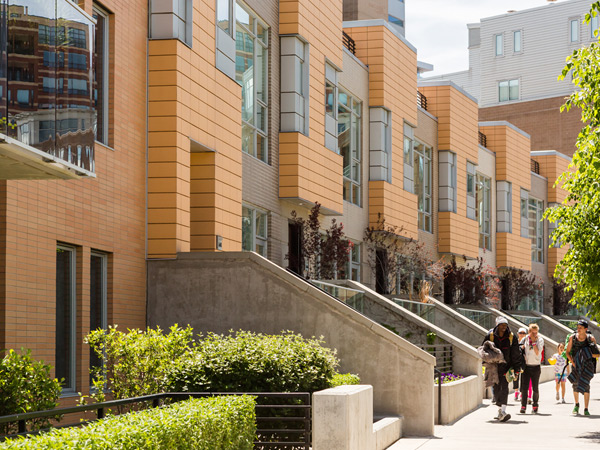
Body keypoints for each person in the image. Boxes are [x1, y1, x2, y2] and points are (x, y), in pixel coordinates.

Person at [482, 316, 522, 422]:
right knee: (496, 388)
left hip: (506, 367)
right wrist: (485, 361)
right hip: (493, 367)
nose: (504, 327)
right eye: (502, 325)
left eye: (505, 325)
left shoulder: (511, 337)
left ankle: (503, 411)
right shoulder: (490, 336)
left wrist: (516, 369)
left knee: (504, 387)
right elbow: (483, 349)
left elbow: (515, 354)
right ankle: (499, 410)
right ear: (497, 326)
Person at [566, 319, 599, 416]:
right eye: (578, 327)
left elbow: (597, 354)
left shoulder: (590, 339)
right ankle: (576, 405)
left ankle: (586, 408)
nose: (578, 329)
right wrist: (573, 362)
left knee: (586, 386)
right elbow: (568, 353)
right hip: (576, 365)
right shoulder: (573, 338)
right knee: (575, 384)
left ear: (586, 329)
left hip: (587, 366)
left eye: (580, 328)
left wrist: (586, 354)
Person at [519, 323, 544, 414]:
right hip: (526, 366)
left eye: (536, 333)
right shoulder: (524, 339)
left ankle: (535, 405)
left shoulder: (540, 340)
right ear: (529, 332)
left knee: (535, 388)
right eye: (533, 333)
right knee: (524, 388)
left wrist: (534, 342)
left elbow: (537, 352)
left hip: (536, 366)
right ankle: (523, 405)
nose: (534, 335)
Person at [513, 327, 527, 401]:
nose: (522, 334)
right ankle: (516, 391)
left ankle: (522, 392)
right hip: (516, 361)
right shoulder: (515, 341)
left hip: (523, 361)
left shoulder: (527, 342)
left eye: (523, 333)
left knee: (523, 377)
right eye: (520, 333)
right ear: (518, 334)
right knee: (515, 376)